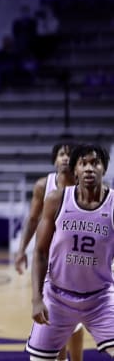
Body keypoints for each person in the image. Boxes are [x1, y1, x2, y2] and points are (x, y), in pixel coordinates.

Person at [26, 143, 114, 360]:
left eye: (95, 163)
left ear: (104, 168)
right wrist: (37, 298)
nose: (89, 169)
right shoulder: (57, 200)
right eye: (83, 164)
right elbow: (40, 252)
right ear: (75, 170)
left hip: (100, 298)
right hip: (57, 296)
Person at [14, 141, 84, 361]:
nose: (64, 158)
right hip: (50, 261)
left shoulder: (87, 186)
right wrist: (21, 250)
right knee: (54, 316)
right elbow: (33, 218)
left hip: (78, 260)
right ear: (54, 160)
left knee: (75, 318)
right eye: (61, 154)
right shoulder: (44, 186)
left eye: (69, 154)